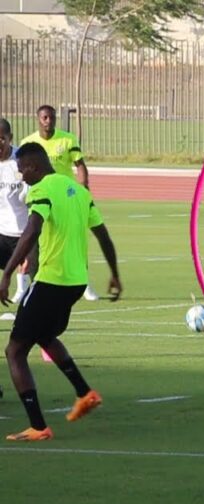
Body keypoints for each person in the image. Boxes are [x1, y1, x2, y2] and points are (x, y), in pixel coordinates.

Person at [0, 142, 121, 440]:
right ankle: (85, 392)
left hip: (51, 281)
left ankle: (38, 427)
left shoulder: (41, 189)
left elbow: (32, 230)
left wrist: (6, 273)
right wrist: (115, 274)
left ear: (34, 167)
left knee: (14, 351)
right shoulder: (80, 192)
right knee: (44, 336)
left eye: (22, 171)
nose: (21, 177)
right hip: (75, 282)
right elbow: (102, 234)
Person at [21, 104, 101, 302]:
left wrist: (83, 190)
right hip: (40, 198)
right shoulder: (28, 141)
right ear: (38, 119)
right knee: (34, 242)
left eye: (52, 117)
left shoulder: (67, 139)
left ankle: (85, 284)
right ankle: (25, 285)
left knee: (75, 240)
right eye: (45, 118)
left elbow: (80, 166)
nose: (49, 121)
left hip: (65, 198)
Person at [0, 119, 33, 306]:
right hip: (1, 231)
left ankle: (25, 293)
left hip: (24, 230)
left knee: (31, 270)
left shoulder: (21, 159)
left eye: (1, 139)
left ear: (9, 138)